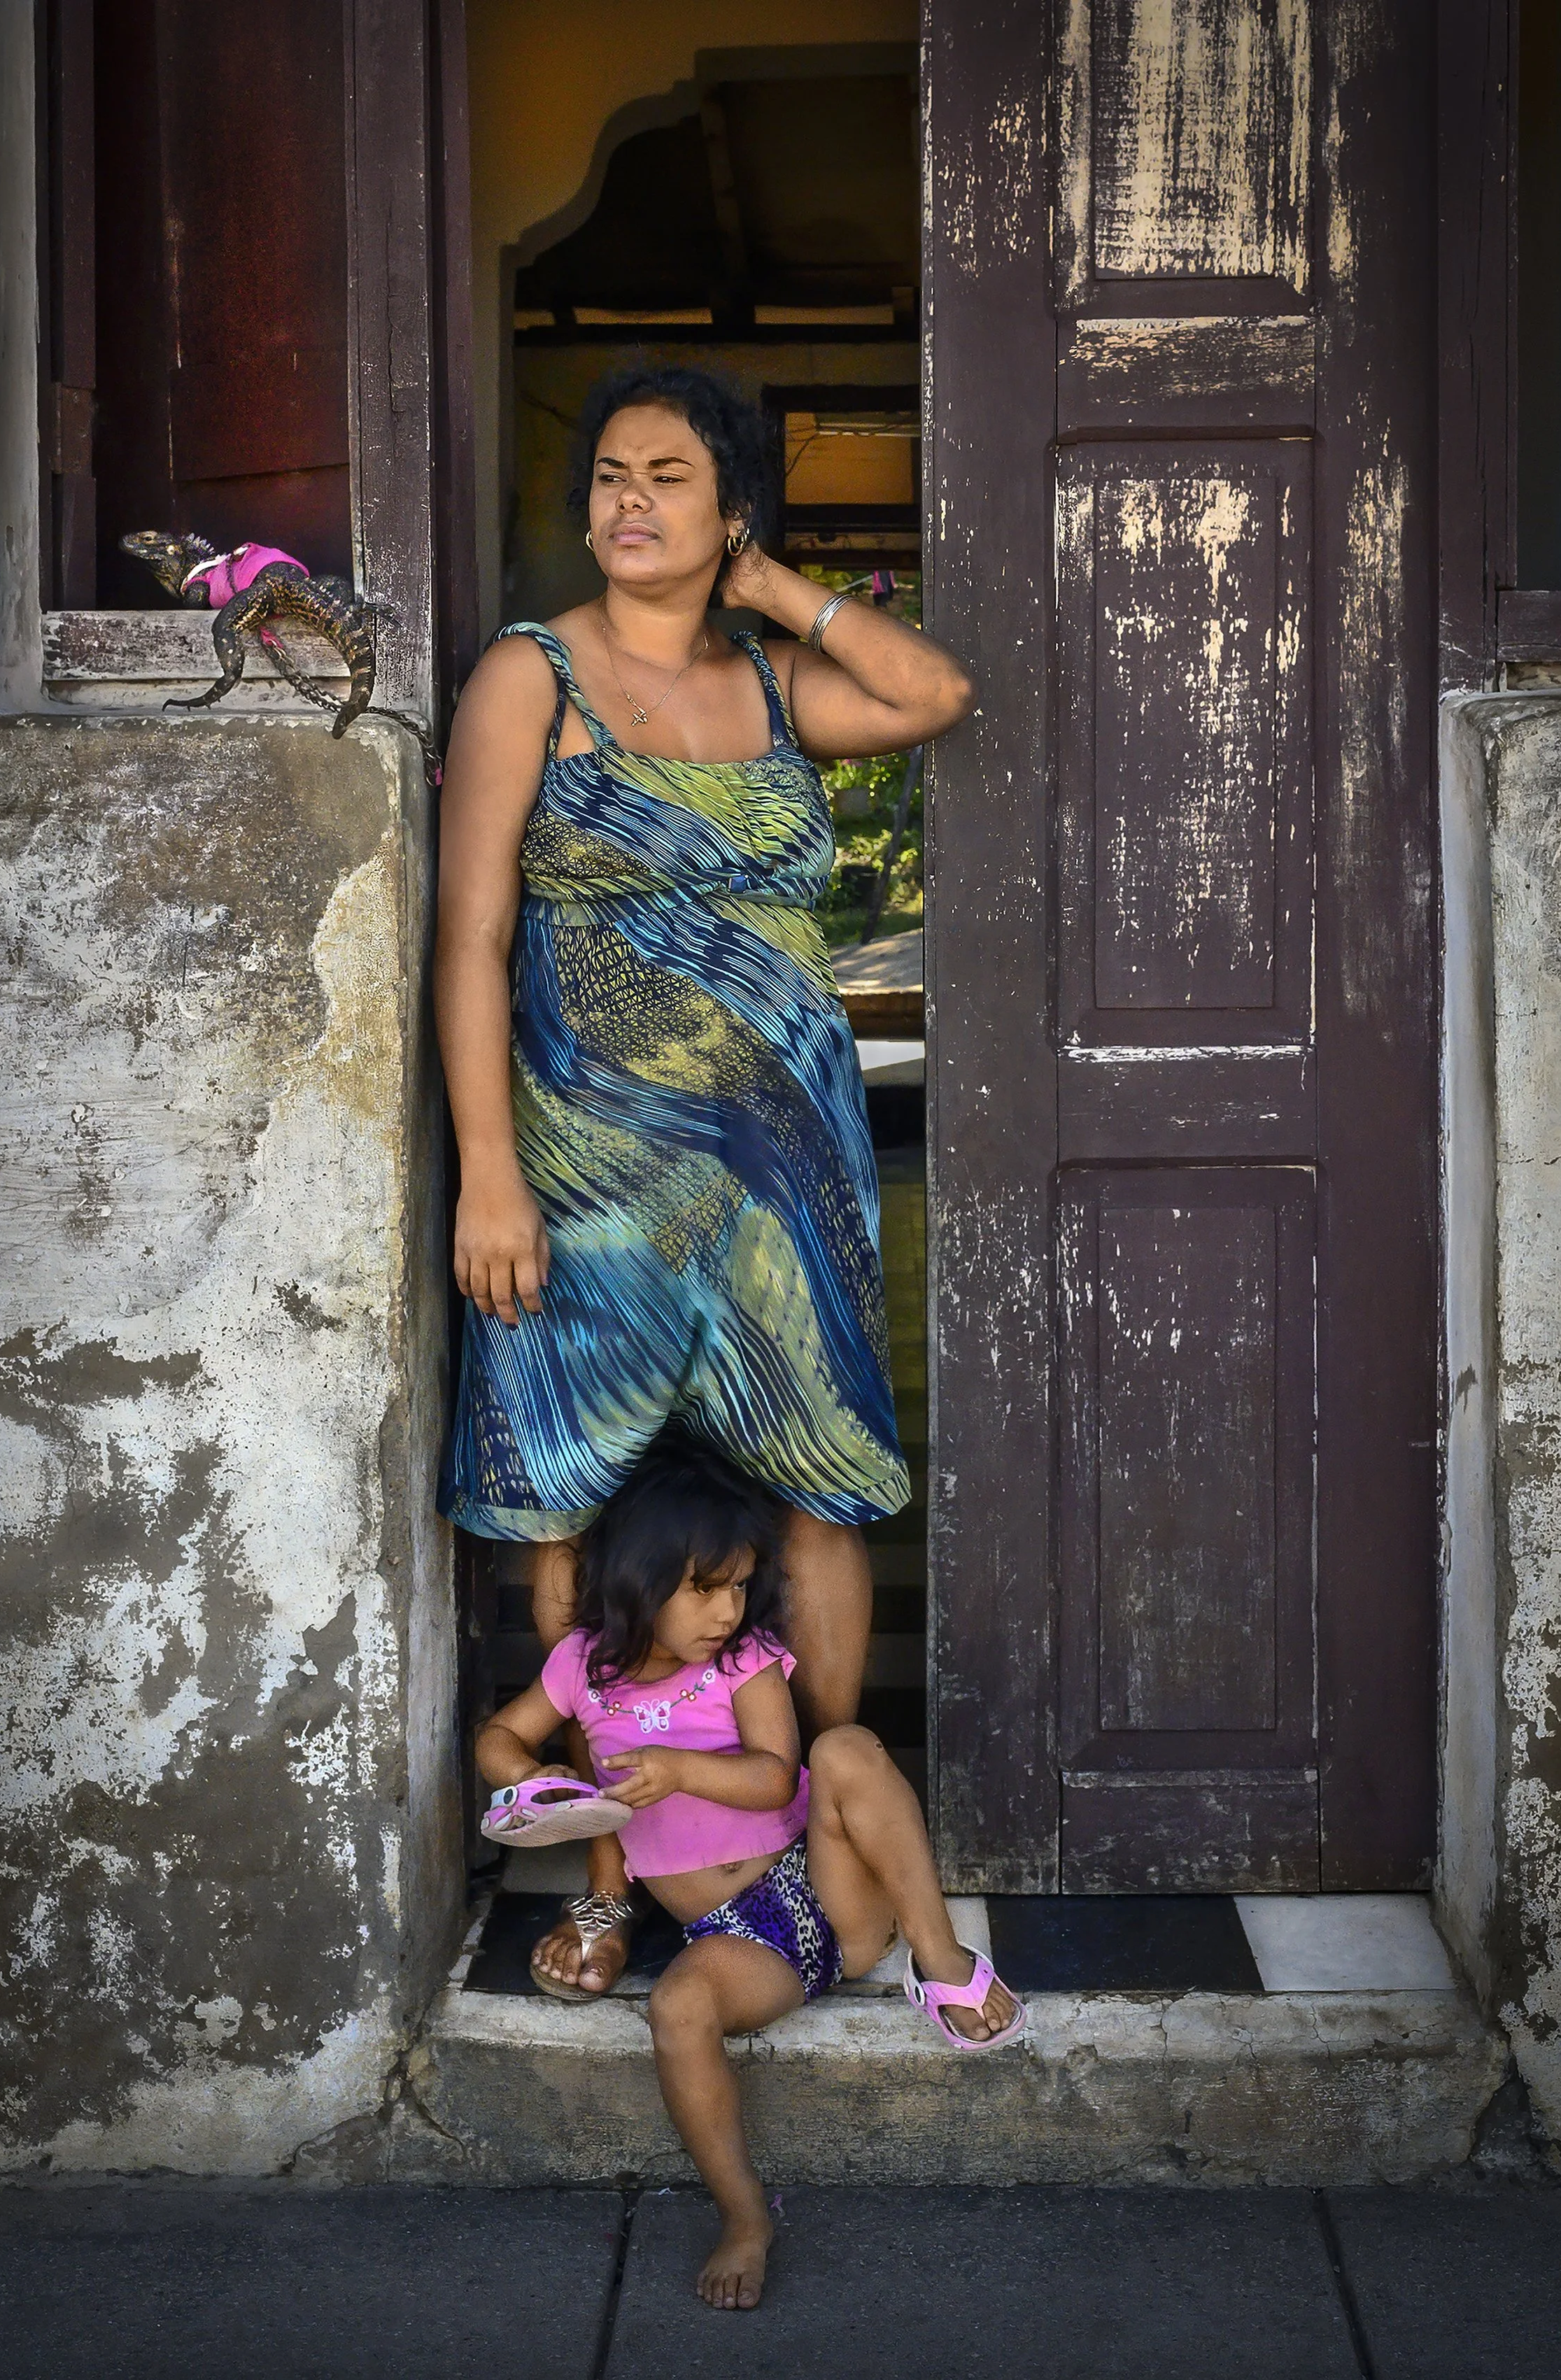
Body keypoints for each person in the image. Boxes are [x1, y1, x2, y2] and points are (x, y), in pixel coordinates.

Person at [435, 363, 974, 1997]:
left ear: (729, 506)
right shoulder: (530, 679)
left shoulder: (769, 686)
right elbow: (469, 941)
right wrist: (486, 1170)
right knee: (569, 1491)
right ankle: (607, 1865)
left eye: (670, 476)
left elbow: (932, 690)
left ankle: (813, 1819)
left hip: (783, 1173)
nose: (628, 504)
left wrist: (776, 587)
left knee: (819, 1485)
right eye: (609, 475)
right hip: (585, 1165)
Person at [474, 1437, 1026, 2312]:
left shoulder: (744, 1662)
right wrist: (534, 1783)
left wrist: (682, 1771)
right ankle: (743, 2218)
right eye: (705, 1588)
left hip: (822, 1890)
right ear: (637, 1582)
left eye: (737, 1585)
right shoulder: (580, 1668)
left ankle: (941, 1961)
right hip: (736, 1941)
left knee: (845, 1749)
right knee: (676, 2009)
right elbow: (499, 1737)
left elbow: (777, 1774)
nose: (728, 1609)